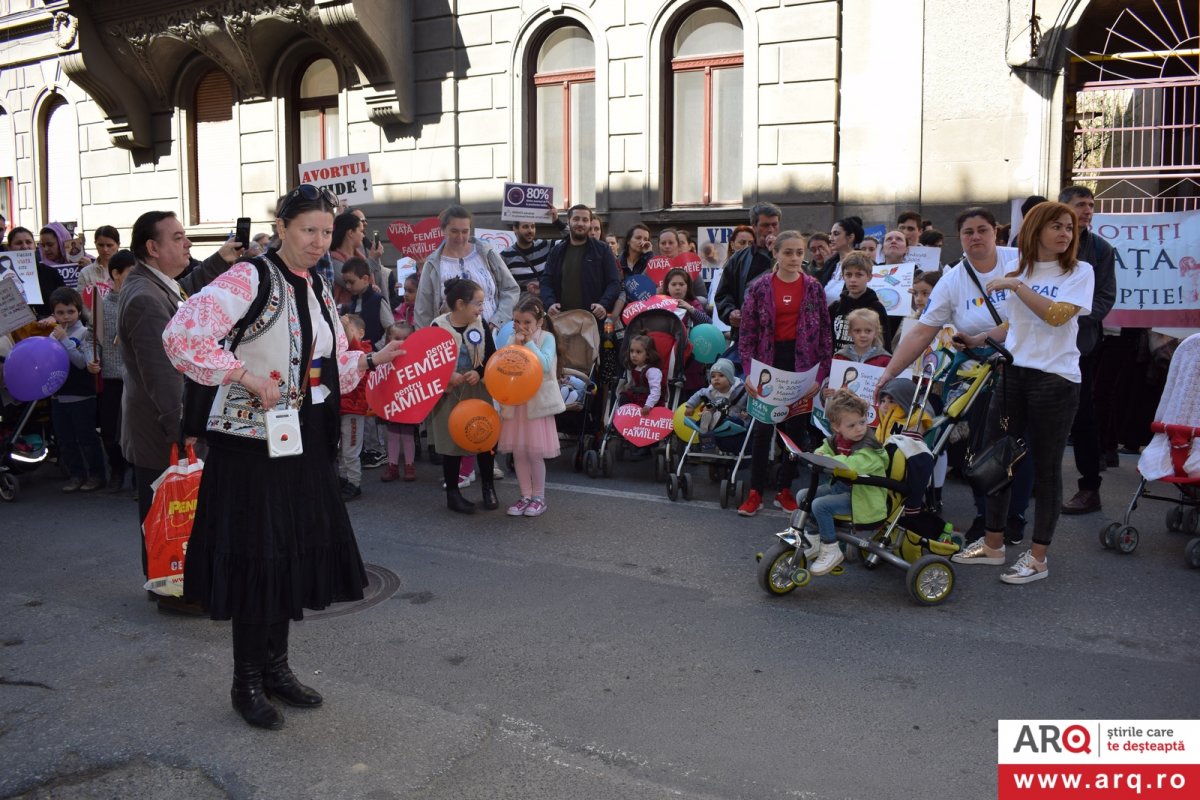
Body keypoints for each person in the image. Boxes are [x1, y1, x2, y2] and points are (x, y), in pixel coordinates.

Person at [162, 184, 405, 729]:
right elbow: (182, 334)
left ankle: (276, 668)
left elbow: (327, 363)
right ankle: (245, 680)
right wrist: (241, 375)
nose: (319, 241)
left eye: (325, 231)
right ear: (282, 229)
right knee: (257, 557)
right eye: (308, 231)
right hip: (251, 447)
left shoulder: (318, 286)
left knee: (288, 555)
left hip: (301, 442)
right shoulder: (249, 277)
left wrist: (371, 360)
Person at [951, 201, 1095, 585]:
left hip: (1056, 380)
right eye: (1057, 226)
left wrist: (1017, 285)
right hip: (1014, 372)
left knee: (1047, 469)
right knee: (996, 460)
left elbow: (1057, 315)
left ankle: (1037, 557)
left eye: (1068, 227)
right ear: (1036, 230)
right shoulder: (1023, 270)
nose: (1065, 233)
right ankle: (993, 545)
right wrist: (977, 339)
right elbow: (1013, 326)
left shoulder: (1080, 272)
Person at [876, 207, 1032, 544]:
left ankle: (1015, 516)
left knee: (1016, 445)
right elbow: (922, 332)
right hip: (975, 371)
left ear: (995, 233)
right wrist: (889, 372)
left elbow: (1032, 317)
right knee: (978, 447)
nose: (975, 237)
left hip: (1024, 366)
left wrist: (990, 338)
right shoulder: (953, 279)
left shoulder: (1020, 261)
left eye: (982, 230)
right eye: (968, 232)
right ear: (959, 237)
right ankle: (985, 515)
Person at [117, 211, 244, 614]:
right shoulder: (144, 299)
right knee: (167, 514)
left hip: (157, 427)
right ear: (153, 249)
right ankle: (174, 592)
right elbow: (163, 377)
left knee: (169, 511)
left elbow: (185, 291)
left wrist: (221, 259)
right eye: (178, 237)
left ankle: (173, 585)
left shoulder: (153, 285)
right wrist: (184, 429)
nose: (187, 243)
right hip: (161, 431)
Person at [737, 231, 832, 516]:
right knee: (763, 429)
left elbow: (825, 335)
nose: (794, 258)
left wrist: (820, 376)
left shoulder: (814, 287)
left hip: (802, 365)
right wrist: (749, 373)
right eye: (788, 252)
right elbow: (747, 334)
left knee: (795, 430)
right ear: (776, 253)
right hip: (768, 362)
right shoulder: (759, 288)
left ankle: (785, 489)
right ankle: (755, 492)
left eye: (799, 253)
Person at [1058, 185, 1116, 515]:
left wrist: (1068, 315)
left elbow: (1105, 298)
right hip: (1041, 342)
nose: (1088, 210)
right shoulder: (1044, 243)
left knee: (1082, 415)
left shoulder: (1101, 250)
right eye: (1081, 204)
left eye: (1091, 205)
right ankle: (1034, 481)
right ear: (1062, 207)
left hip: (1081, 344)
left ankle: (1089, 487)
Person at [427, 277, 498, 514]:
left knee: (485, 438)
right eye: (477, 304)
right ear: (460, 304)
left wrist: (479, 372)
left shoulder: (481, 324)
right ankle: (453, 494)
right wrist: (448, 376)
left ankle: (488, 487)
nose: (481, 309)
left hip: (477, 390)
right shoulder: (437, 327)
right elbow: (429, 362)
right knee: (452, 442)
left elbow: (491, 357)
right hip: (450, 392)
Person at [798, 390, 887, 575]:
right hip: (844, 489)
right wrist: (819, 454)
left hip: (863, 497)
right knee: (803, 496)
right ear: (837, 427)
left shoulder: (870, 447)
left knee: (820, 505)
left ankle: (831, 547)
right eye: (852, 425)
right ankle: (813, 539)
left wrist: (827, 461)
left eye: (862, 422)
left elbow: (851, 464)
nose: (860, 429)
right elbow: (826, 447)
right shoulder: (837, 440)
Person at [498, 296, 563, 517]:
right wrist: (514, 343)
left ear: (539, 322)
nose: (521, 327)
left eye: (527, 322)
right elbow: (504, 362)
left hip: (536, 405)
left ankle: (539, 497)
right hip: (517, 403)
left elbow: (544, 364)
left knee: (534, 453)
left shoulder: (547, 338)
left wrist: (529, 343)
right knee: (519, 452)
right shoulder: (510, 337)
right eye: (517, 321)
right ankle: (525, 495)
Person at [416, 205, 520, 330]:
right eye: (454, 231)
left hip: (494, 334)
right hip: (452, 338)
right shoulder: (433, 264)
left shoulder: (486, 253)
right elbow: (423, 310)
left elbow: (510, 289)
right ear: (443, 230)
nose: (460, 237)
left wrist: (499, 321)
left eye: (465, 231)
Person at [47, 287, 105, 492]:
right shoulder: (53, 334)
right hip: (58, 396)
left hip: (82, 395)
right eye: (60, 312)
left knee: (87, 438)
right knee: (65, 440)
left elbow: (82, 362)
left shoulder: (84, 333)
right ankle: (76, 475)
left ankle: (97, 475)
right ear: (53, 313)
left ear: (79, 312)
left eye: (70, 311)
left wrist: (64, 340)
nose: (65, 317)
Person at [714, 202, 782, 342]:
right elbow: (723, 293)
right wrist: (730, 312)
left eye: (774, 225)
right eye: (765, 225)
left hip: (780, 335)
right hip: (747, 334)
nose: (770, 230)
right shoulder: (738, 259)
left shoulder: (789, 256)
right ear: (754, 227)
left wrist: (778, 254)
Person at [541, 203, 620, 321]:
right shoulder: (556, 251)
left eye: (585, 220)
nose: (580, 223)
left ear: (589, 223)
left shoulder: (603, 250)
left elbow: (614, 282)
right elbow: (546, 281)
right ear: (568, 221)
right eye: (576, 219)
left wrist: (603, 304)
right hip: (561, 318)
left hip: (591, 319)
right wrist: (550, 303)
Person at [98, 249, 136, 492]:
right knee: (110, 430)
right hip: (111, 376)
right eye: (132, 273)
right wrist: (91, 357)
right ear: (116, 274)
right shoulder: (101, 304)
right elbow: (93, 335)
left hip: (135, 377)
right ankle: (117, 469)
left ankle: (137, 477)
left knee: (135, 430)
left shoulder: (140, 299)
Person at [336, 313, 374, 502]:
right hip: (341, 407)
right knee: (342, 448)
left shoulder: (364, 350)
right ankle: (343, 478)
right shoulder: (340, 351)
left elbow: (356, 351)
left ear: (361, 332)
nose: (344, 335)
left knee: (351, 449)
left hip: (354, 410)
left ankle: (354, 483)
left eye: (348, 331)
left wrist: (346, 331)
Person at [379, 322, 419, 483]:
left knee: (408, 437)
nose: (401, 342)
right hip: (391, 402)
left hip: (408, 402)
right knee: (392, 436)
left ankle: (409, 465)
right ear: (389, 339)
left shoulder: (415, 357)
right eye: (397, 338)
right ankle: (392, 465)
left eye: (406, 338)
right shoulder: (383, 358)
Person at [683, 358, 747, 452]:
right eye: (713, 376)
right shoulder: (710, 391)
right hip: (715, 419)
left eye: (721, 375)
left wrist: (746, 412)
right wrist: (690, 406)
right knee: (706, 415)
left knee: (732, 420)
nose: (716, 378)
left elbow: (751, 402)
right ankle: (705, 424)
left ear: (730, 379)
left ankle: (711, 422)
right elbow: (699, 394)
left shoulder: (741, 391)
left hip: (733, 420)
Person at [827, 252, 888, 351]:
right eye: (848, 275)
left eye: (859, 275)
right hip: (836, 362)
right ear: (843, 276)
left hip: (865, 364)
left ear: (869, 277)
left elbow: (885, 344)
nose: (853, 280)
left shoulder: (877, 308)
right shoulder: (835, 307)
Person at [500, 207, 564, 294]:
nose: (530, 230)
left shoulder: (546, 246)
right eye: (525, 227)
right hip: (522, 305)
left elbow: (571, 240)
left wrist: (557, 221)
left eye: (533, 226)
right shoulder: (505, 256)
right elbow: (503, 288)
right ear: (515, 229)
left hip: (547, 304)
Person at [339, 257, 392, 346]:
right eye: (345, 282)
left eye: (351, 282)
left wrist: (377, 348)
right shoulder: (352, 304)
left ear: (365, 279)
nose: (347, 286)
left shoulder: (378, 301)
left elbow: (390, 328)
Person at [818, 216, 865, 305]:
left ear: (850, 237)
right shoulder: (830, 264)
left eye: (836, 234)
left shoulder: (863, 264)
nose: (830, 238)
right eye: (830, 234)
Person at [620, 334, 664, 416]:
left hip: (647, 400)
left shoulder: (652, 371)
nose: (633, 355)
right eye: (631, 351)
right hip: (636, 395)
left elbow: (656, 390)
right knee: (623, 397)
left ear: (647, 354)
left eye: (638, 352)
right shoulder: (634, 368)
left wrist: (648, 405)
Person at [77, 226, 121, 292]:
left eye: (109, 245)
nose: (105, 249)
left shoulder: (126, 270)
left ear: (118, 245)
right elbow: (81, 300)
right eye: (101, 245)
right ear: (95, 244)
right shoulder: (86, 273)